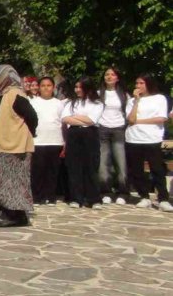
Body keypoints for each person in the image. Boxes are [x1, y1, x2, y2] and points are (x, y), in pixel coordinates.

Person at [0, 65, 38, 227]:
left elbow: (32, 117)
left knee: (12, 182)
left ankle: (16, 215)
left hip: (14, 146)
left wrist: (25, 134)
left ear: (5, 77)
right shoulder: (0, 95)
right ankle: (10, 212)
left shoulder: (15, 94)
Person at [124, 74, 172, 212]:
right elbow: (131, 119)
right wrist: (137, 101)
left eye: (141, 83)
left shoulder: (159, 99)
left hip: (152, 138)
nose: (138, 86)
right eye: (137, 83)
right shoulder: (132, 101)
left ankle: (163, 198)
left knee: (157, 169)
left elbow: (161, 118)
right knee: (136, 169)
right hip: (133, 138)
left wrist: (140, 121)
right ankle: (144, 196)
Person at [61, 76, 104, 209]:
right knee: (74, 166)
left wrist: (75, 117)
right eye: (76, 87)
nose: (77, 90)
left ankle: (93, 198)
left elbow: (92, 120)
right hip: (74, 134)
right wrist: (80, 119)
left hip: (90, 134)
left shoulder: (97, 103)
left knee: (91, 166)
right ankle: (76, 198)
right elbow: (65, 118)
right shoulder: (70, 103)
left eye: (80, 87)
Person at [30, 77, 64, 205]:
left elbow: (63, 121)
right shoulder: (33, 102)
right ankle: (36, 196)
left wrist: (64, 141)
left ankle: (50, 196)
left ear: (53, 87)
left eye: (48, 85)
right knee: (37, 170)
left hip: (55, 140)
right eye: (43, 85)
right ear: (38, 87)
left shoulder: (59, 103)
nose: (46, 88)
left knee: (52, 170)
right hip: (38, 141)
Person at [97, 67, 129, 205]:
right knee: (103, 163)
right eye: (107, 74)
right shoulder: (99, 94)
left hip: (118, 129)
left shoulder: (124, 95)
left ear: (118, 78)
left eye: (112, 74)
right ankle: (106, 191)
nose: (109, 77)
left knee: (120, 162)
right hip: (102, 129)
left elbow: (127, 112)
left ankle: (122, 192)